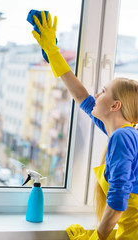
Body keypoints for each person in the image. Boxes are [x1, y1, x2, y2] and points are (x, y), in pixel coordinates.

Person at [31, 11, 138, 240]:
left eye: (104, 91)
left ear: (115, 106)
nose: (97, 95)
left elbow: (118, 202)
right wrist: (53, 53)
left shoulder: (123, 138)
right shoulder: (125, 134)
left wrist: (96, 238)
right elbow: (82, 97)